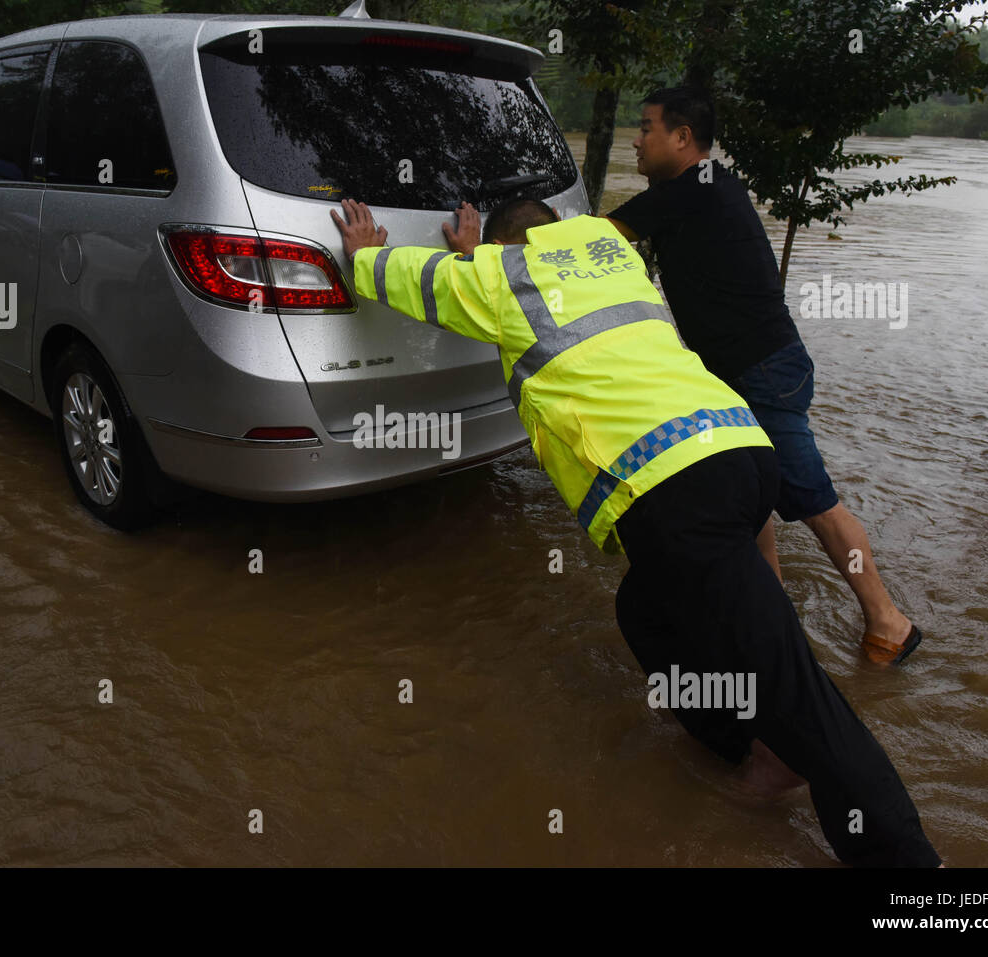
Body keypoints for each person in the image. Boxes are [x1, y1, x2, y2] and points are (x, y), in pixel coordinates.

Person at [331, 196, 941, 866]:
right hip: (740, 451)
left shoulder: (499, 279)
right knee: (645, 611)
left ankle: (912, 870)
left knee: (799, 692)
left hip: (676, 490)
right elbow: (533, 291)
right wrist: (482, 255)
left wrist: (363, 249)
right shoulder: (610, 254)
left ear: (501, 249)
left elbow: (401, 278)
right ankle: (761, 749)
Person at [601, 86, 921, 666]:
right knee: (746, 491)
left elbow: (593, 241)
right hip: (738, 373)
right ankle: (772, 617)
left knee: (815, 503)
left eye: (646, 127)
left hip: (762, 372)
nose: (636, 139)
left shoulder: (689, 190)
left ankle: (889, 620)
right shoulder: (701, 189)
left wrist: (496, 247)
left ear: (682, 138)